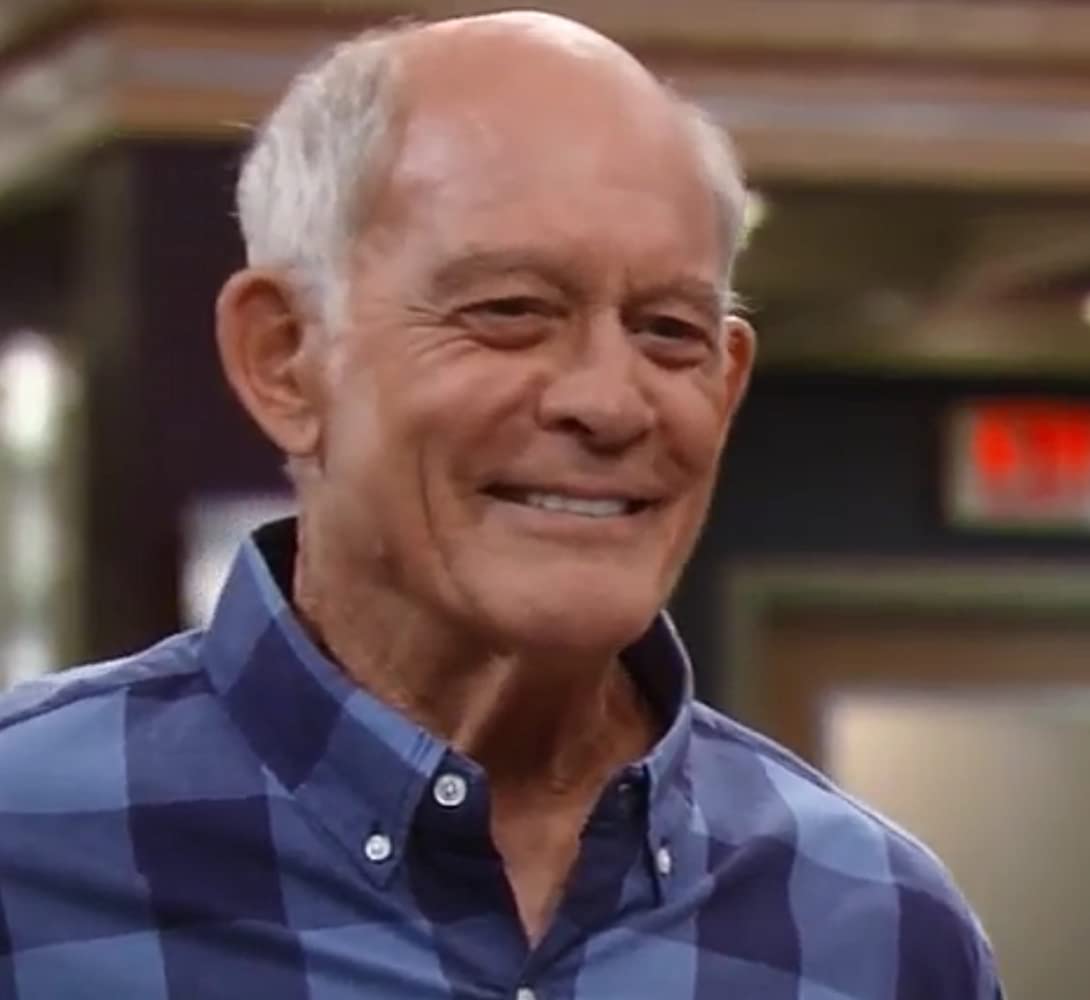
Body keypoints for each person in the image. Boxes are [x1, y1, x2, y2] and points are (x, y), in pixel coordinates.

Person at [0, 11, 1002, 1000]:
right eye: (511, 312)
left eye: (667, 331)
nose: (609, 402)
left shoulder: (875, 928)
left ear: (727, 384)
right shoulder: (26, 851)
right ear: (286, 359)